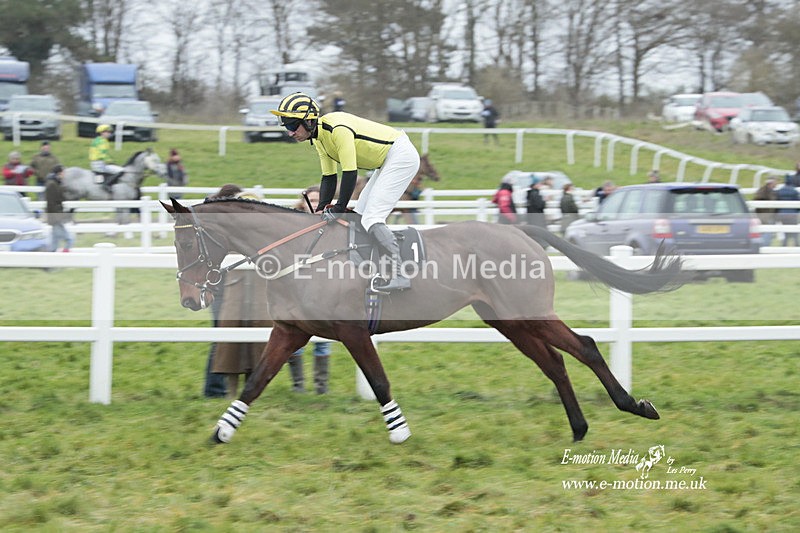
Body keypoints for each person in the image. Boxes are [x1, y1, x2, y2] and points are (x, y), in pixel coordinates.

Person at [271, 92, 420, 291]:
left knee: (372, 218)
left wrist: (339, 207)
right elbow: (329, 177)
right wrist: (322, 210)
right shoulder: (319, 139)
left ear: (308, 120)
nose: (290, 132)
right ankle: (374, 267)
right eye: (286, 127)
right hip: (384, 161)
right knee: (359, 216)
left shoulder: (337, 129)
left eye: (292, 125)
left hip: (400, 155)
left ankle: (401, 274)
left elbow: (350, 173)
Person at [203, 184, 271, 398]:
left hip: (240, 289)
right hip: (223, 288)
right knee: (222, 337)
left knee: (239, 338)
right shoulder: (224, 230)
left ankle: (230, 388)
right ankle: (214, 389)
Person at [286, 185, 333, 394]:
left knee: (323, 340)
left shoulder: (331, 226)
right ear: (303, 203)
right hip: (298, 290)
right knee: (295, 339)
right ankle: (298, 386)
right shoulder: (293, 227)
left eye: (317, 201)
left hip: (324, 291)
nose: (314, 204)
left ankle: (321, 387)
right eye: (311, 201)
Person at [44, 165, 74, 252]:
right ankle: (64, 256)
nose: (64, 175)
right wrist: (58, 217)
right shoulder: (52, 185)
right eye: (63, 173)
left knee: (54, 240)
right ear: (59, 173)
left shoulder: (55, 183)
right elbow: (51, 203)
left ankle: (50, 260)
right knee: (69, 239)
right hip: (55, 217)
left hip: (56, 216)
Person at [89, 124, 122, 191]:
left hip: (95, 163)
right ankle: (107, 184)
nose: (109, 133)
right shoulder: (102, 141)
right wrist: (110, 161)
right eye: (107, 132)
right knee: (121, 171)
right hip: (100, 164)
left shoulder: (96, 140)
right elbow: (103, 154)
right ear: (102, 132)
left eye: (109, 132)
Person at [776, 175, 799, 246]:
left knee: (785, 232)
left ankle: (784, 245)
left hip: (782, 214)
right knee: (794, 232)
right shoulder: (794, 191)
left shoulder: (779, 191)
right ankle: (796, 246)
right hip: (792, 214)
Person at [753, 178, 778, 246]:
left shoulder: (761, 190)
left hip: (762, 215)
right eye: (775, 182)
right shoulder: (768, 191)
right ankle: (764, 247)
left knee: (764, 232)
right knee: (767, 232)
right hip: (767, 215)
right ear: (771, 183)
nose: (776, 184)